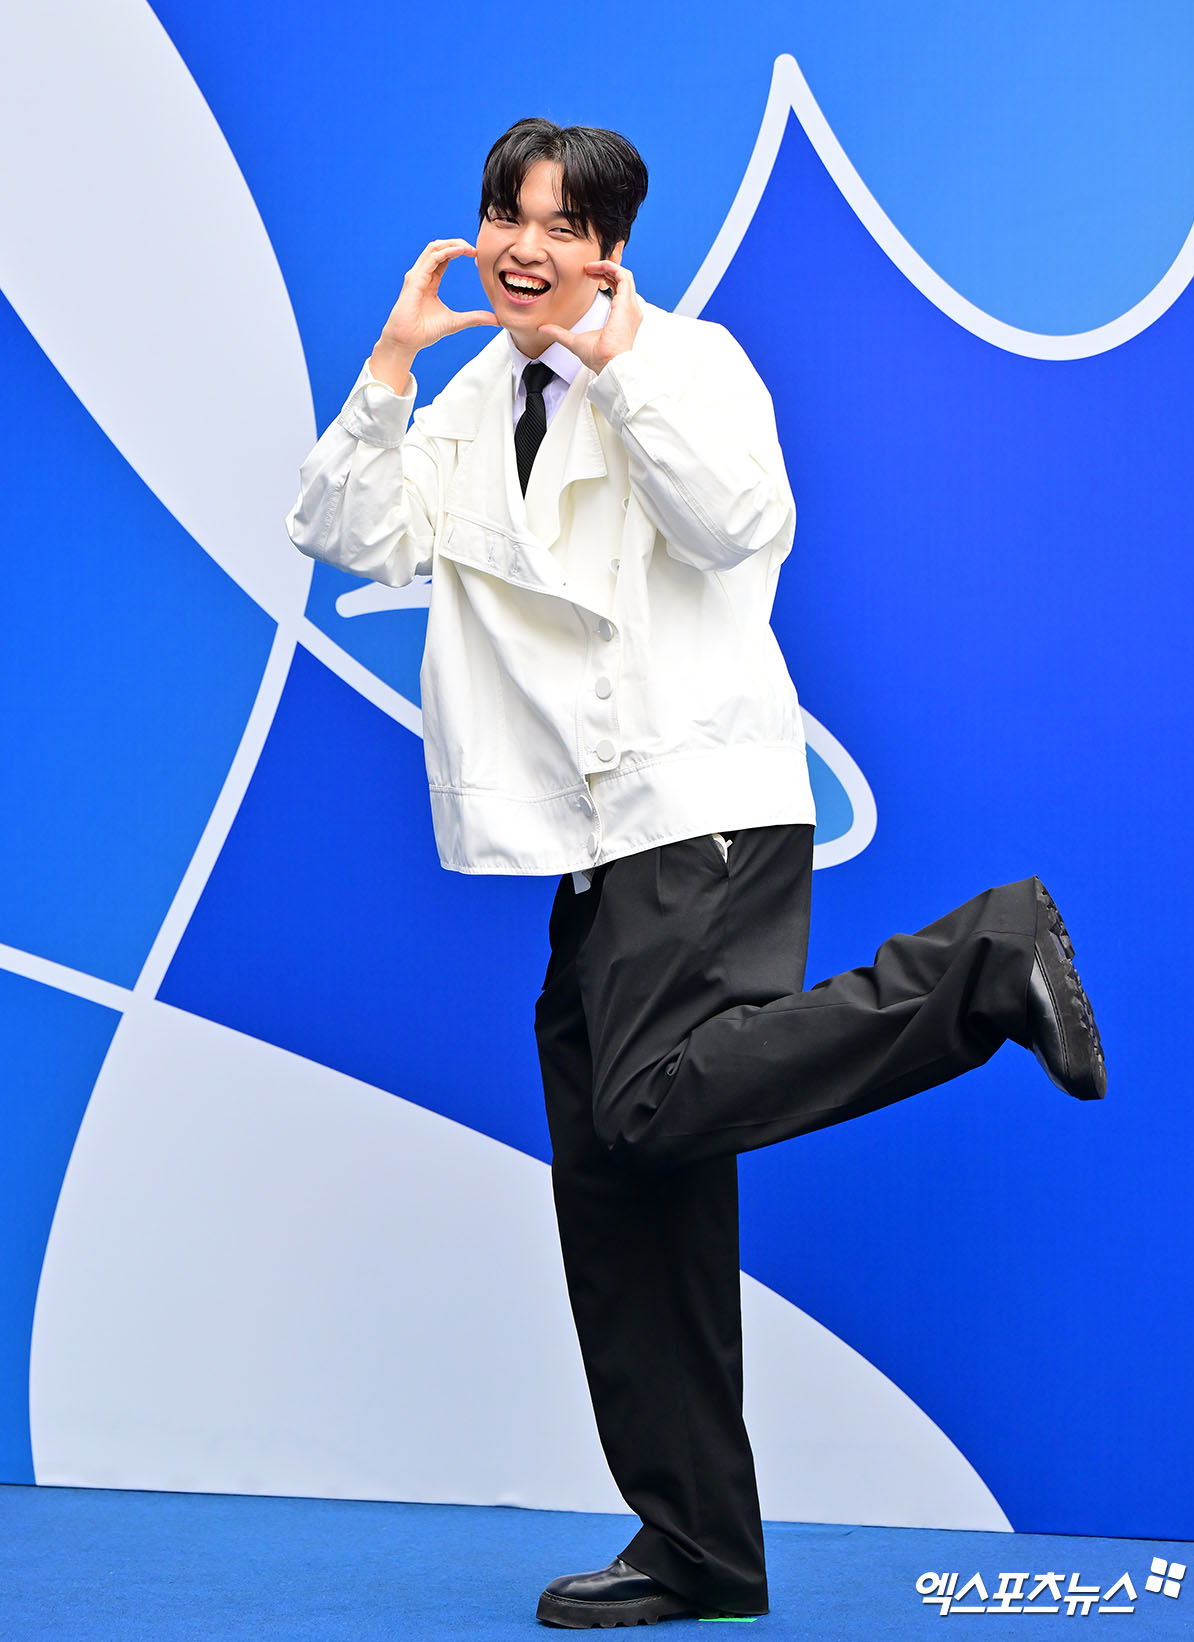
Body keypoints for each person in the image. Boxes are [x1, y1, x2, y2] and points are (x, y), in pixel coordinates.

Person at [286, 117, 1105, 1629]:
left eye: (562, 224)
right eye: (506, 214)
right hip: (587, 841)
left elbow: (739, 523)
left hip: (698, 803)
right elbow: (349, 537)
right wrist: (391, 369)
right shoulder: (471, 397)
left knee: (649, 1106)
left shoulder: (692, 362)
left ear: (611, 250)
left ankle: (984, 960)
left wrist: (617, 368)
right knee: (620, 1190)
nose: (525, 246)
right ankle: (699, 1545)